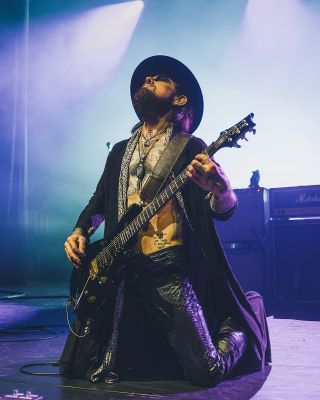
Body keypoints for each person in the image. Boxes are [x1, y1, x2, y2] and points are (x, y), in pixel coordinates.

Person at [61, 55, 271, 387]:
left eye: (157, 78)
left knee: (206, 371)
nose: (147, 79)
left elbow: (224, 210)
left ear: (179, 98)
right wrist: (79, 230)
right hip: (120, 274)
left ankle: (242, 325)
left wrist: (223, 188)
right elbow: (98, 203)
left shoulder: (191, 148)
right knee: (80, 371)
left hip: (166, 268)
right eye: (144, 78)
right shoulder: (119, 151)